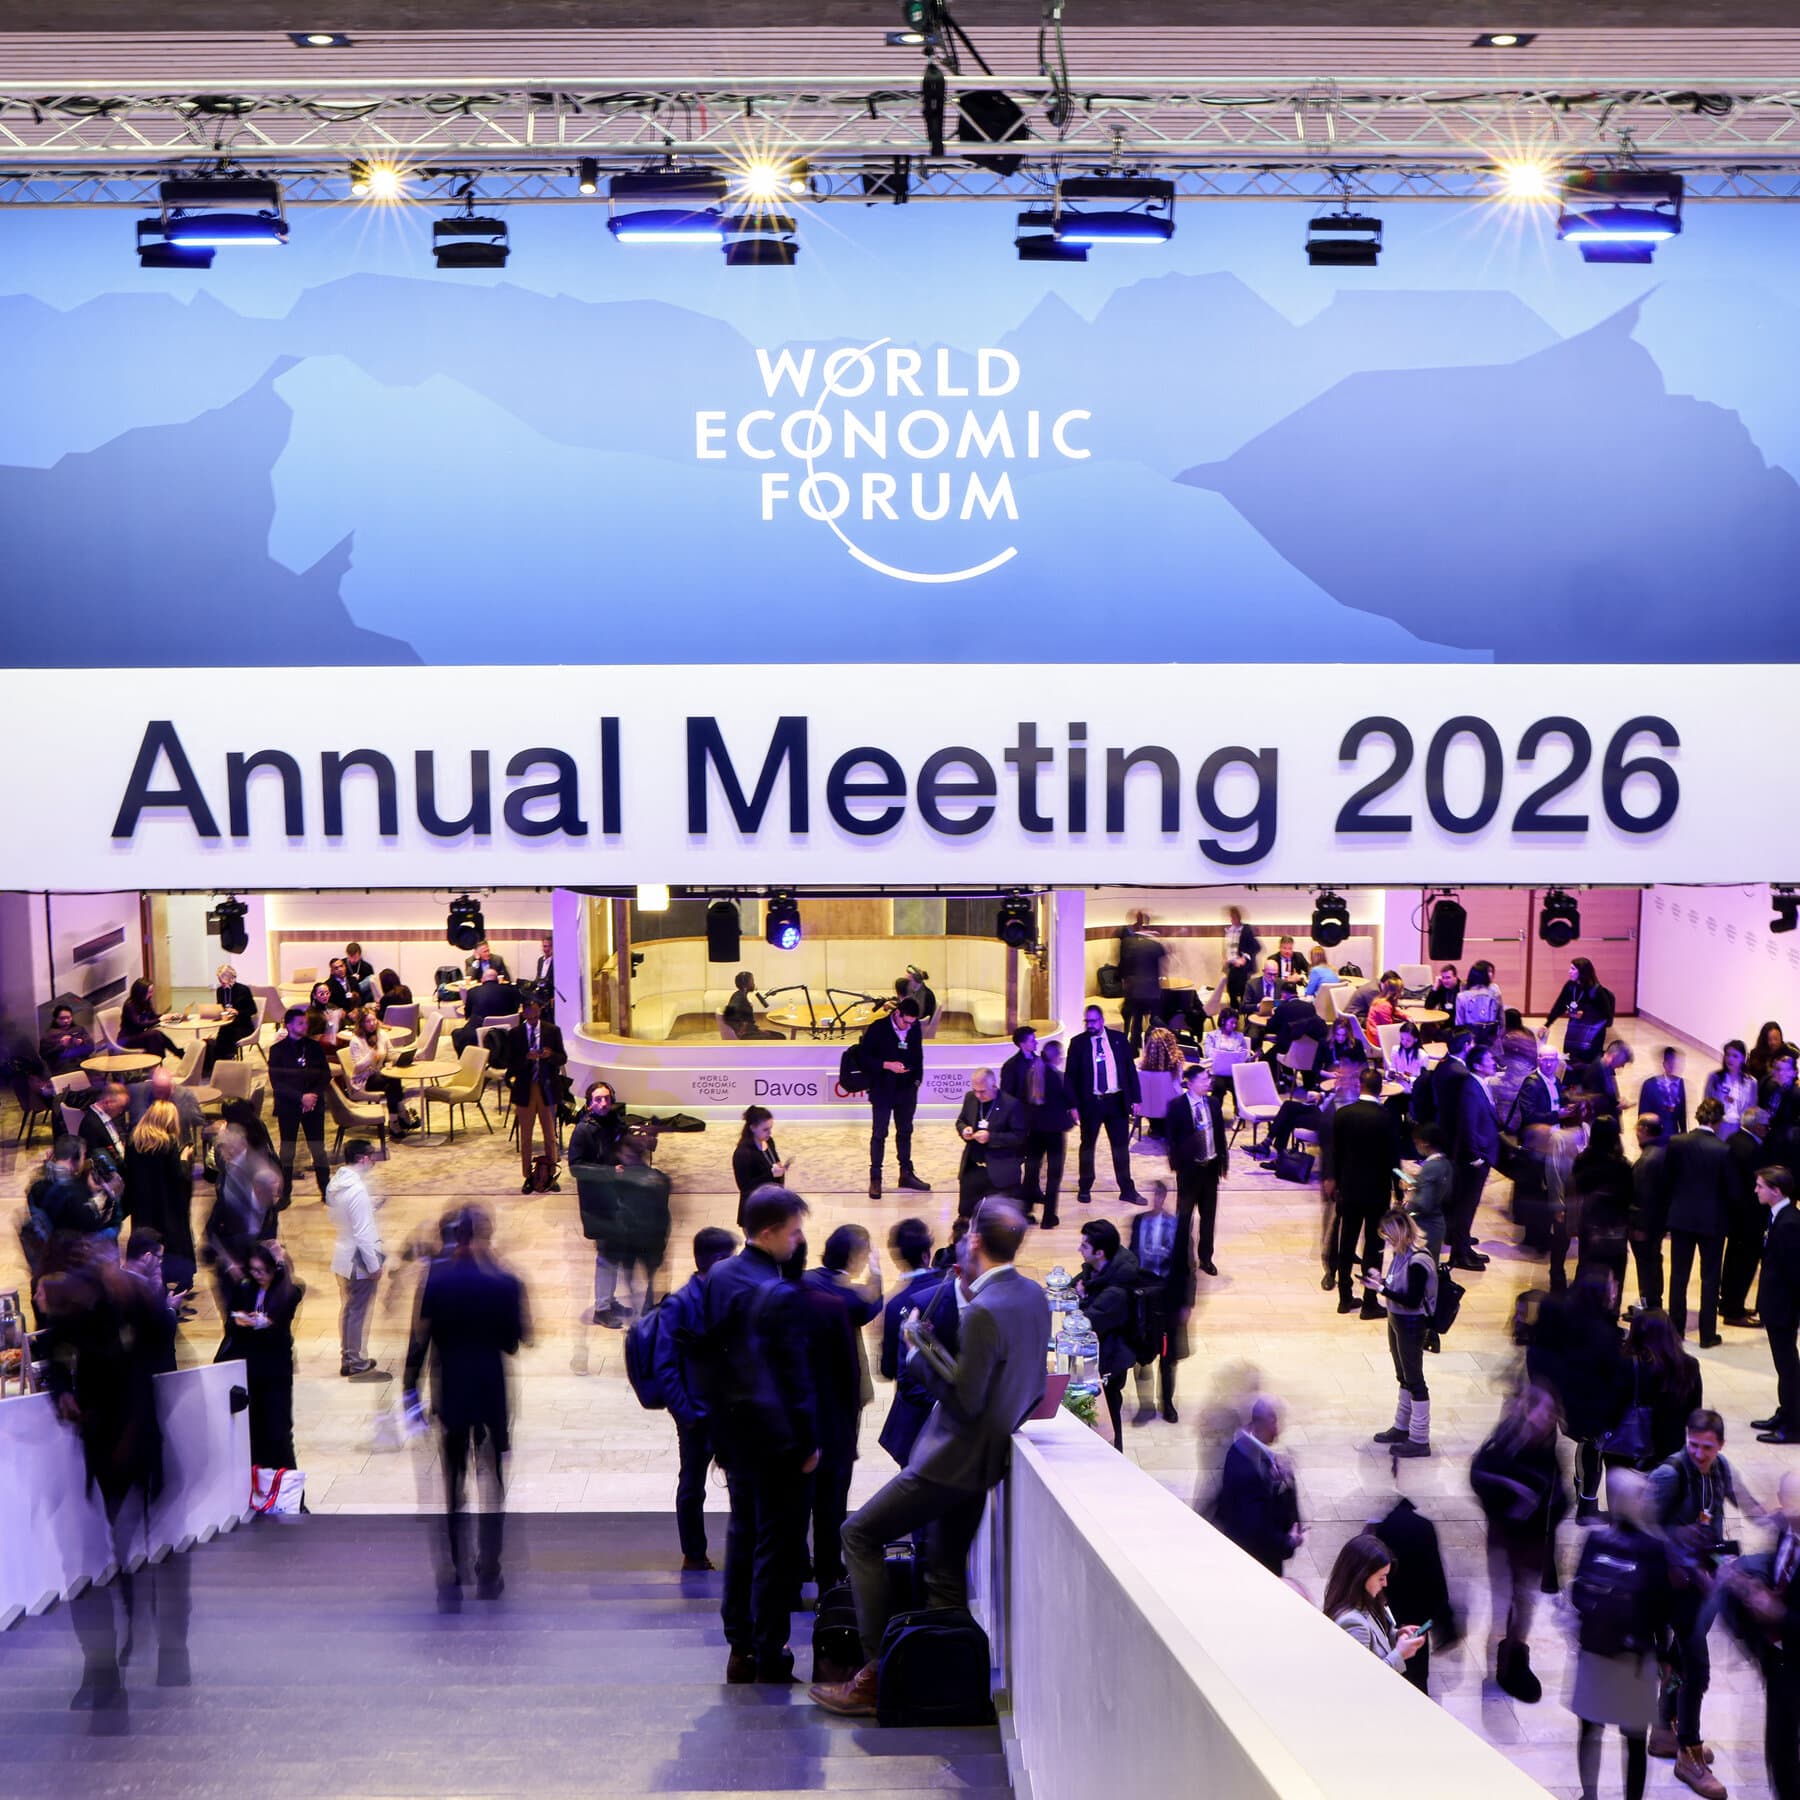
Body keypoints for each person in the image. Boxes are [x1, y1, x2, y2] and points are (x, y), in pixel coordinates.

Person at [811, 1201, 1048, 1718]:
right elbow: (1020, 1383)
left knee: (858, 1535)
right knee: (943, 1571)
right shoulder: (1032, 1294)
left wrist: (918, 1355)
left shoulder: (984, 1310)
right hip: (987, 1459)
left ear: (976, 1241)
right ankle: (936, 1687)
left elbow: (963, 1401)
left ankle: (876, 1675)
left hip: (950, 1460)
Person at [696, 1187, 818, 1684]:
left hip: (734, 1433)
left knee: (742, 1533)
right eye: (794, 1232)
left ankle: (740, 1646)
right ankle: (771, 1649)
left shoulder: (719, 1275)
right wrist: (808, 1443)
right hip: (777, 1440)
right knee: (777, 1542)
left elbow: (709, 1355)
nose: (799, 1240)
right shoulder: (778, 1291)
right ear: (768, 1232)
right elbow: (794, 1377)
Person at [403, 1205, 530, 1608]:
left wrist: (409, 1390)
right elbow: (514, 1341)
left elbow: (420, 1340)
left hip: (452, 1392)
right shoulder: (506, 1282)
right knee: (492, 1485)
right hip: (491, 1392)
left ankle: (453, 1572)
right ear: (485, 1236)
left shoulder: (436, 1280)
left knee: (453, 1485)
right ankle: (489, 1570)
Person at [1648, 1409, 1748, 1789]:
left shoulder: (1719, 1470)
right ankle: (1688, 1752)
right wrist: (1677, 1543)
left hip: (1700, 1583)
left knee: (1680, 1660)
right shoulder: (1669, 1475)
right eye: (1693, 1444)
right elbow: (1641, 1527)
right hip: (1671, 1586)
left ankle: (1664, 1729)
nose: (1699, 1453)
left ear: (1720, 1445)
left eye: (1707, 1447)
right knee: (1697, 1669)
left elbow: (1737, 1506)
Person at [1569, 1467, 1673, 1800]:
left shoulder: (1595, 1540)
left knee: (1590, 1730)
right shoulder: (1653, 1548)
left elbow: (1578, 1595)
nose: (1650, 1498)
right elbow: (1662, 1610)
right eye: (1643, 1493)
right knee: (1634, 1740)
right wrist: (1665, 1655)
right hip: (1635, 1658)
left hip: (1594, 1651)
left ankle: (1589, 1795)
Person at [1469, 1382, 1566, 1704]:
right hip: (1505, 1540)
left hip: (1534, 1543)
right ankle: (1503, 1663)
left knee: (1525, 1602)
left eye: (1552, 1413)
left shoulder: (1547, 1445)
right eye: (1544, 1411)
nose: (1548, 1418)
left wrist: (1544, 1503)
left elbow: (1558, 1493)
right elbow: (1480, 1474)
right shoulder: (1507, 1442)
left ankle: (1515, 1657)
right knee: (1505, 1603)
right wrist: (1515, 1498)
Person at [801, 1224, 883, 1591]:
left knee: (798, 1498)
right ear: (855, 1256)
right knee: (831, 1497)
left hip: (800, 1408)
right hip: (834, 1412)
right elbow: (869, 1306)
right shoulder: (842, 1299)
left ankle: (798, 1568)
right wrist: (877, 1277)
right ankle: (828, 1575)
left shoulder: (806, 1283)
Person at [653, 1224, 739, 1571]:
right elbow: (665, 1365)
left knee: (741, 1483)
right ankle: (694, 1552)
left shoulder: (730, 1296)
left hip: (731, 1410)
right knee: (692, 1483)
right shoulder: (679, 1304)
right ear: (716, 1260)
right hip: (697, 1414)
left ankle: (744, 1547)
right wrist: (686, 1413)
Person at [877, 1218, 963, 1467]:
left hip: (916, 1421)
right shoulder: (953, 1289)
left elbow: (889, 1369)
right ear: (927, 1254)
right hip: (960, 1412)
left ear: (897, 1257)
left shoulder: (896, 1304)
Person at [1321, 1068, 1400, 1317]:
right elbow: (1393, 1159)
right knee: (1374, 1247)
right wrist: (1398, 1190)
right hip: (1377, 1192)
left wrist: (1334, 1182)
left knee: (1347, 1243)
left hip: (1349, 1189)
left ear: (1360, 1085)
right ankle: (1369, 1301)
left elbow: (1335, 1153)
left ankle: (1344, 1298)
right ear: (1380, 1089)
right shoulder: (1387, 1117)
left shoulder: (1343, 1114)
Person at [219, 1239, 304, 1472]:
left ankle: (286, 1484)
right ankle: (258, 1481)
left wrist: (263, 1324)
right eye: (254, 1270)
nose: (259, 1275)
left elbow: (280, 1329)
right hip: (251, 1369)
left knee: (278, 1430)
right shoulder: (245, 1287)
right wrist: (241, 1321)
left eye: (263, 1271)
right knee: (254, 1428)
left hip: (275, 1371)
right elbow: (231, 1323)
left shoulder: (287, 1292)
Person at [1667, 1098, 1736, 1348]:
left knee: (1678, 1275)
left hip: (1681, 1217)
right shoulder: (1723, 1149)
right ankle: (1707, 1335)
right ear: (1719, 1121)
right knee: (1710, 1277)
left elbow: (1667, 1180)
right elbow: (1732, 1190)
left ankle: (1676, 1330)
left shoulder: (1677, 1142)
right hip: (1712, 1220)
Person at [1369, 1208, 1435, 1458]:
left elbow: (1412, 1300)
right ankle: (1401, 1427)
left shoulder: (1418, 1261)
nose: (1387, 1241)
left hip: (1411, 1323)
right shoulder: (1401, 1254)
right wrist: (1381, 1282)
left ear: (1400, 1233)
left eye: (1389, 1236)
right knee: (1403, 1375)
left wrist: (1381, 1290)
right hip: (1397, 1319)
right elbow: (1398, 1286)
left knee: (1415, 1379)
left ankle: (1419, 1438)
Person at [1211, 1396, 1302, 1576]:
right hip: (1257, 1563)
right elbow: (1256, 1527)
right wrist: (1289, 1542)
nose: (1279, 1429)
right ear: (1269, 1421)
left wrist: (1277, 1478)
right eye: (1277, 1421)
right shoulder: (1249, 1468)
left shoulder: (1242, 1448)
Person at [1066, 1002, 1141, 1206]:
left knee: (1120, 1148)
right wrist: (1072, 1106)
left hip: (1116, 1101)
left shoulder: (1119, 1039)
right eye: (1087, 1021)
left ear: (1102, 1020)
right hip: (1091, 1103)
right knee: (1087, 1146)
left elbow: (1130, 1070)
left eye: (1093, 1021)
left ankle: (1127, 1190)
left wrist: (1136, 1098)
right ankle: (1085, 1187)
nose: (1089, 1025)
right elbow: (1070, 1077)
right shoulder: (1078, 1043)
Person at [1075, 1218, 1140, 1449]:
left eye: (1084, 1246)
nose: (1079, 1249)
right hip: (1101, 1353)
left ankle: (1115, 1456)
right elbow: (1074, 1285)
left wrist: (1082, 1298)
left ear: (1100, 1253)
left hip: (1111, 1360)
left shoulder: (1116, 1290)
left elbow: (1088, 1322)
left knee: (1109, 1416)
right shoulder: (1098, 1269)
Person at [123, 1098, 197, 1298]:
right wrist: (184, 1158)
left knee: (147, 1243)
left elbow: (128, 1174)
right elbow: (179, 1177)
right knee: (171, 1244)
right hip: (167, 1206)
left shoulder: (133, 1141)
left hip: (142, 1205)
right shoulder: (168, 1143)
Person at [1322, 1533, 1426, 1673]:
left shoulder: (1364, 1600)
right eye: (1381, 1578)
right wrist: (1400, 1654)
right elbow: (1362, 1677)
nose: (1385, 1583)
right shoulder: (1353, 1623)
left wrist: (1396, 1636)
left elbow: (1376, 1638)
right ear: (1361, 1576)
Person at [326, 1137, 385, 1379]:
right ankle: (355, 1360)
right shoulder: (357, 1190)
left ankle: (348, 1356)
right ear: (362, 1158)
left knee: (349, 1309)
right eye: (371, 1156)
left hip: (342, 1253)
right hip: (358, 1258)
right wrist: (374, 1265)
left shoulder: (335, 1184)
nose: (374, 1161)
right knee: (358, 1311)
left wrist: (369, 1207)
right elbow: (362, 1233)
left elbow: (338, 1216)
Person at [1165, 1061, 1228, 1286]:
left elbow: (1220, 1135)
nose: (1208, 1083)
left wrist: (1222, 1162)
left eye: (1208, 1079)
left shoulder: (1213, 1103)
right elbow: (1170, 1139)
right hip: (1189, 1171)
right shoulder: (1177, 1106)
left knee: (1208, 1217)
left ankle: (1206, 1258)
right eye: (1203, 1080)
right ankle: (1181, 1259)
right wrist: (1178, 1165)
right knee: (1184, 1217)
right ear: (1190, 1083)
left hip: (1210, 1168)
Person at [1003, 1027, 1072, 1229]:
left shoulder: (1036, 1066)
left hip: (1034, 1127)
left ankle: (1026, 1210)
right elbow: (1010, 1097)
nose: (1035, 1042)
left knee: (1032, 1169)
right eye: (1032, 1040)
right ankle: (1048, 1216)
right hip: (1044, 1128)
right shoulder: (1018, 1067)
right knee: (1049, 1174)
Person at [1618, 1307, 1705, 1469]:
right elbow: (1695, 1412)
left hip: (1631, 1448)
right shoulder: (1690, 1365)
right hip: (1672, 1451)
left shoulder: (1628, 1364)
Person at [860, 998, 928, 1200]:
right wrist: (887, 1065)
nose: (909, 1026)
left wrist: (916, 1081)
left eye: (912, 1023)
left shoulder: (914, 1028)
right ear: (897, 1013)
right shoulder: (878, 1028)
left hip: (907, 1090)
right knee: (879, 1134)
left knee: (905, 1132)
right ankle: (875, 1178)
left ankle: (906, 1173)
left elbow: (919, 1056)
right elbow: (863, 1058)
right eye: (906, 1022)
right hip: (883, 1089)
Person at [1128, 1181, 1184, 1423]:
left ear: (1165, 1196)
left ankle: (1167, 1402)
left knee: (1168, 1355)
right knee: (1142, 1351)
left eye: (1160, 1195)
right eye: (1154, 1194)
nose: (1156, 1199)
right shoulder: (1139, 1221)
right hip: (1143, 1292)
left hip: (1168, 1296)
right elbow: (1131, 1255)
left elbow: (1187, 1266)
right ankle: (1145, 1404)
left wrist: (1187, 1303)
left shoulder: (1177, 1225)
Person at [268, 1004, 332, 1204]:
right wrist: (300, 1098)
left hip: (313, 1106)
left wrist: (312, 1095)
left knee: (318, 1150)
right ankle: (285, 1194)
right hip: (289, 1106)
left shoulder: (314, 1047)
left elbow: (325, 1075)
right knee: (287, 1151)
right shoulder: (277, 1050)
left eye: (306, 1023)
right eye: (301, 1023)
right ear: (289, 1025)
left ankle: (326, 1191)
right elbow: (277, 1083)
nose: (305, 1026)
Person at [1564, 1119, 1634, 1304]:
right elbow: (1630, 1197)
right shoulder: (1623, 1165)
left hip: (1589, 1224)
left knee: (1587, 1268)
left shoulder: (1582, 1161)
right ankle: (1611, 1312)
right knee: (1615, 1274)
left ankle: (1585, 1311)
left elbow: (1575, 1190)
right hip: (1616, 1227)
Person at [503, 995, 565, 1192]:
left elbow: (562, 1058)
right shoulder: (515, 1034)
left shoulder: (552, 1031)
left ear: (539, 1011)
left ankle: (551, 1174)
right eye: (528, 1014)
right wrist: (526, 1058)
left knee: (550, 1135)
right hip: (525, 1089)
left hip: (547, 1088)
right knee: (526, 1136)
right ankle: (528, 1176)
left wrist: (550, 1055)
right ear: (523, 1013)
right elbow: (510, 1064)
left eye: (535, 1014)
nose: (532, 1018)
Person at [1756, 1167, 1800, 1445]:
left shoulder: (1789, 1223)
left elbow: (1794, 1272)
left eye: (1760, 1186)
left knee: (1788, 1368)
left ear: (1777, 1190)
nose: (1756, 1190)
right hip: (1776, 1305)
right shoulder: (1778, 1216)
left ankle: (1794, 1425)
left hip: (1783, 1308)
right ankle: (1786, 1413)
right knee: (1784, 1366)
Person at [954, 1066, 1027, 1220]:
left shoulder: (1011, 1104)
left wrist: (991, 1137)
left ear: (994, 1086)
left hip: (1000, 1171)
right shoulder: (970, 1098)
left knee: (999, 1220)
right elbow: (961, 1120)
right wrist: (964, 1129)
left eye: (982, 1091)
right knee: (965, 1215)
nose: (978, 1095)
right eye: (975, 1090)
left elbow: (1019, 1136)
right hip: (973, 1168)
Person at [1724, 1107, 1775, 1326]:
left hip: (1734, 1215)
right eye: (1766, 1125)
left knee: (1732, 1261)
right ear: (1756, 1126)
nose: (1767, 1129)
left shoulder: (1733, 1139)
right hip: (1750, 1217)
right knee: (1744, 1264)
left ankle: (1727, 1304)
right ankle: (1734, 1311)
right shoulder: (1754, 1150)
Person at [345, 1008, 413, 1138]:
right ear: (361, 1023)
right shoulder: (356, 1041)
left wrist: (403, 1057)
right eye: (368, 1021)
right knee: (392, 1081)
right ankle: (401, 1115)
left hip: (379, 1075)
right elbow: (357, 1068)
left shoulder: (382, 1034)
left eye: (374, 1020)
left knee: (393, 1080)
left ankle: (394, 1121)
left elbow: (391, 1053)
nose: (372, 1024)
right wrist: (371, 1055)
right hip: (363, 1079)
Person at [1631, 1112, 1672, 1313]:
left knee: (1647, 1264)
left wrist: (1640, 1226)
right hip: (1658, 1221)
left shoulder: (1648, 1159)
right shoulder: (1662, 1152)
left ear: (1643, 1129)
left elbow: (1644, 1197)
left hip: (1646, 1225)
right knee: (1653, 1261)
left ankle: (1649, 1305)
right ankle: (1652, 1302)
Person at [1548, 957, 1617, 1063]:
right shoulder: (1570, 986)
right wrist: (1547, 1024)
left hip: (1592, 1032)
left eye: (1573, 969)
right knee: (1570, 1059)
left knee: (1587, 1062)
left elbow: (1606, 1015)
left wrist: (1584, 1014)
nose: (1569, 972)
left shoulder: (1596, 990)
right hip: (1575, 1028)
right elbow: (1560, 1005)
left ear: (1582, 971)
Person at [1116, 910, 1168, 1050]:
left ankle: (1134, 1048)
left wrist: (1125, 982)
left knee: (1137, 1019)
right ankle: (1154, 1047)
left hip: (1134, 989)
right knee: (1155, 1019)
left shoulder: (1127, 943)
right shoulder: (1154, 944)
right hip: (1152, 989)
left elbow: (1123, 966)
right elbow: (1163, 959)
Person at [1403, 1123, 1451, 1264]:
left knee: (1418, 1267)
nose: (1416, 1146)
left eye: (1416, 1143)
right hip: (1438, 1223)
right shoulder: (1445, 1163)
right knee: (1430, 1265)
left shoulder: (1430, 1167)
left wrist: (1405, 1210)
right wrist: (1417, 1184)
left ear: (1424, 1143)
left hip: (1425, 1226)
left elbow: (1424, 1203)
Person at [733, 1105, 788, 1225]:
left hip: (772, 1202)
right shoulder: (743, 1153)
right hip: (754, 1209)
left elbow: (775, 1161)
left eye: (770, 1128)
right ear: (753, 1128)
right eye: (765, 1129)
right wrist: (771, 1174)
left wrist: (780, 1168)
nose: (769, 1132)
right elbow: (745, 1187)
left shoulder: (769, 1141)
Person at [453, 964, 521, 1055]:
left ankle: (472, 1059)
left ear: (482, 980)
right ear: (498, 980)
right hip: (506, 1031)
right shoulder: (511, 990)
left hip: (480, 1031)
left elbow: (468, 1014)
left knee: (457, 1033)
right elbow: (515, 1009)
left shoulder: (472, 991)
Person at [203, 962, 258, 1072]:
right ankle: (216, 1066)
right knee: (220, 1038)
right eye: (220, 980)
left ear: (232, 978)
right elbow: (220, 1006)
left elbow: (253, 1010)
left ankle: (226, 1065)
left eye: (223, 980)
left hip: (243, 1025)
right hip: (226, 1025)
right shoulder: (220, 991)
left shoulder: (243, 990)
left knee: (227, 1038)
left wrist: (237, 1012)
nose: (221, 983)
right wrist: (217, 1012)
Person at [79, 1081, 131, 1190]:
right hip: (112, 1176)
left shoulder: (107, 1116)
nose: (121, 1112)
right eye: (120, 1107)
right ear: (108, 1102)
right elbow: (94, 1160)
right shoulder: (91, 1125)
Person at [1706, 1040, 1760, 1139]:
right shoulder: (1714, 1078)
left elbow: (1751, 1110)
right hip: (1718, 1126)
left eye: (1735, 1056)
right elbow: (1707, 1104)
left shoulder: (1751, 1083)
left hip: (1739, 1128)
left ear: (1743, 1058)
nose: (1730, 1059)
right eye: (1727, 1055)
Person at [117, 976, 178, 1060]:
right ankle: (162, 1060)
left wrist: (167, 1016)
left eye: (151, 991)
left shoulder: (146, 1002)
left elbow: (153, 1017)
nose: (151, 994)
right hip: (128, 1039)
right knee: (154, 1034)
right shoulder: (129, 1005)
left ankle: (176, 1053)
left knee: (158, 1035)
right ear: (141, 992)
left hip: (139, 1035)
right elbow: (138, 1025)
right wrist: (160, 1019)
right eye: (149, 992)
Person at [1640, 1047, 1690, 1145]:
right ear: (1664, 1064)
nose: (1673, 1066)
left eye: (1675, 1063)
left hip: (1673, 1137)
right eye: (1670, 1063)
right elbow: (1643, 1114)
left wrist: (1684, 1134)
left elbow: (1682, 1113)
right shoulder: (1649, 1085)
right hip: (1655, 1137)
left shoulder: (1680, 1083)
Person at [1220, 905, 1260, 1010]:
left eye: (1233, 917)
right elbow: (1229, 947)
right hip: (1232, 964)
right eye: (1231, 917)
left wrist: (1244, 958)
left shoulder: (1246, 929)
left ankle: (1243, 1012)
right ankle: (1235, 1012)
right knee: (1231, 990)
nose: (1232, 919)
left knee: (1243, 991)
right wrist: (1225, 958)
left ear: (1238, 917)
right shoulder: (1230, 930)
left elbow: (1255, 947)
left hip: (1242, 966)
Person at [1454, 960, 1505, 1044]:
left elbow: (1459, 1024)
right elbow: (1502, 1021)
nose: (1491, 974)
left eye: (1492, 971)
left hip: (1475, 1041)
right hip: (1487, 1041)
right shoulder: (1495, 995)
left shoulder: (1462, 997)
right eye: (1488, 972)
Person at [723, 970, 782, 1039]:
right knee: (780, 1037)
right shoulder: (739, 997)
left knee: (777, 1035)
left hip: (751, 1031)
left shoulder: (739, 994)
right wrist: (742, 1029)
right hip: (746, 1035)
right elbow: (729, 1015)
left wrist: (757, 1030)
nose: (754, 984)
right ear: (746, 984)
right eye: (752, 981)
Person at [1751, 1021, 1790, 1092]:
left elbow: (1792, 1076)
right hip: (1762, 1092)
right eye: (1769, 1039)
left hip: (1784, 1093)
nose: (1773, 1042)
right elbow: (1752, 1079)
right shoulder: (1755, 1054)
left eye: (1776, 1039)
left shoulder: (1787, 1052)